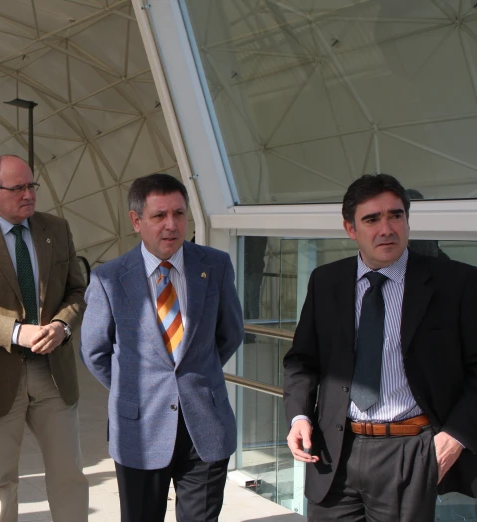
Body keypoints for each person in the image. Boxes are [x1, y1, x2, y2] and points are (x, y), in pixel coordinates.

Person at [283, 173, 477, 521]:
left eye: (395, 215)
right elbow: (302, 360)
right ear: (350, 229)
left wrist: (454, 438)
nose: (386, 228)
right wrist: (299, 416)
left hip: (411, 451)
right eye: (372, 219)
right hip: (334, 453)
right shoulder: (327, 281)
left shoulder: (456, 282)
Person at [80, 173, 244, 522]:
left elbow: (229, 334)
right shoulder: (109, 278)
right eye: (159, 216)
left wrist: (193, 377)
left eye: (179, 214)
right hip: (139, 429)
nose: (172, 225)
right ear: (136, 221)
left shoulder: (214, 266)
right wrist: (136, 391)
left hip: (205, 425)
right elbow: (95, 351)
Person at [0, 154, 89, 522]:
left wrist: (62, 326)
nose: (28, 194)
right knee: (1, 480)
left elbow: (77, 292)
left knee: (68, 473)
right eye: (18, 187)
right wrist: (18, 332)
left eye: (31, 186)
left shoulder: (56, 229)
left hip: (52, 374)